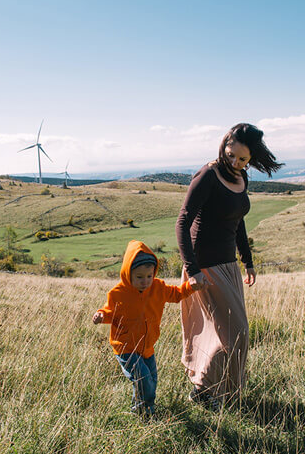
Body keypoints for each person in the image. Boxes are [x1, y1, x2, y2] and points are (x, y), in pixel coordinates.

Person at [176, 123, 283, 409]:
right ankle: (205, 391)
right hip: (205, 267)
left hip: (228, 265)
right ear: (224, 144)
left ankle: (209, 391)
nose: (234, 161)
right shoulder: (208, 175)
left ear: (251, 160)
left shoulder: (241, 178)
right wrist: (193, 269)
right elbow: (183, 222)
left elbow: (237, 221)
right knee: (237, 332)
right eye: (231, 153)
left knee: (226, 333)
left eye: (242, 159)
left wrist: (247, 261)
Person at [92, 240, 198, 416]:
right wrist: (101, 315)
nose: (145, 281)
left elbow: (177, 294)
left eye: (149, 276)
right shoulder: (118, 293)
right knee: (143, 379)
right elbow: (110, 312)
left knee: (152, 381)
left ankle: (141, 409)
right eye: (139, 277)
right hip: (126, 347)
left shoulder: (158, 288)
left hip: (147, 346)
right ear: (128, 274)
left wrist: (191, 287)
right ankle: (145, 414)